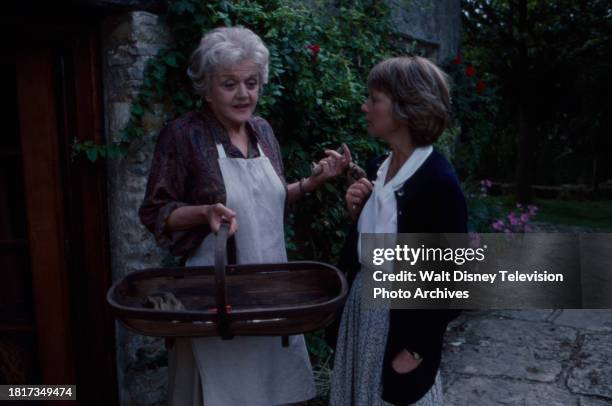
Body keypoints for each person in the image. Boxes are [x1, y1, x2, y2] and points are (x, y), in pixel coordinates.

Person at [138, 26, 350, 406]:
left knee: (273, 392)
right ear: (205, 86)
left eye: (251, 83)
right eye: (229, 84)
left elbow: (267, 204)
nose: (243, 94)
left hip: (272, 294)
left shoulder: (263, 131)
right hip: (216, 298)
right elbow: (155, 211)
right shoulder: (183, 135)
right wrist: (204, 212)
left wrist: (312, 183)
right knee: (223, 393)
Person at [329, 56, 466, 406]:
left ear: (406, 107)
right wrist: (360, 213)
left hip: (401, 320)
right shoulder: (380, 167)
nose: (365, 107)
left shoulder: (437, 181)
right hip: (364, 309)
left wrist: (417, 350)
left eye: (374, 99)